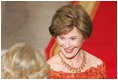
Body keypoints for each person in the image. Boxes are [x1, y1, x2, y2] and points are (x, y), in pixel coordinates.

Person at [47, 4, 107, 79]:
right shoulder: (48, 71)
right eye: (62, 38)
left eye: (73, 38)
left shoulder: (98, 66)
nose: (67, 45)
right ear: (55, 36)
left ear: (84, 37)